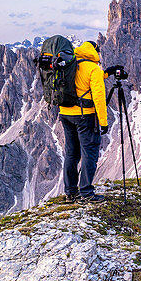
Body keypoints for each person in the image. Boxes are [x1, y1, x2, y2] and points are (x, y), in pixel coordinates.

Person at [60, 41, 109, 202]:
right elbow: (99, 98)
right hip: (84, 116)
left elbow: (81, 81)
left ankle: (70, 192)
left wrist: (106, 74)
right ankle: (87, 192)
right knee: (89, 153)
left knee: (71, 153)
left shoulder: (71, 63)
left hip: (65, 113)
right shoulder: (93, 68)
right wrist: (103, 122)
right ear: (95, 52)